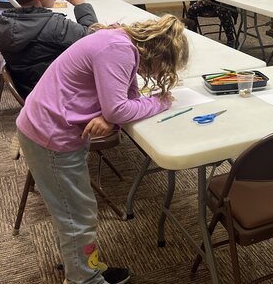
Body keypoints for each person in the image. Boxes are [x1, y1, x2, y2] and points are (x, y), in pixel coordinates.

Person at [16, 14, 189, 284]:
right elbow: (119, 108)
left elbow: (124, 99)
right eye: (161, 68)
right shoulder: (118, 50)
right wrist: (161, 102)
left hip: (51, 128)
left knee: (74, 210)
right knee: (78, 215)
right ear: (158, 53)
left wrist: (111, 116)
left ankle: (83, 265)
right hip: (50, 137)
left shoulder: (120, 40)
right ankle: (83, 279)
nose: (157, 75)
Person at [0, 0, 98, 98]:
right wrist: (81, 5)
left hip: (30, 92)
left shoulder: (3, 24)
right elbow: (95, 41)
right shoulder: (55, 25)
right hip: (61, 95)